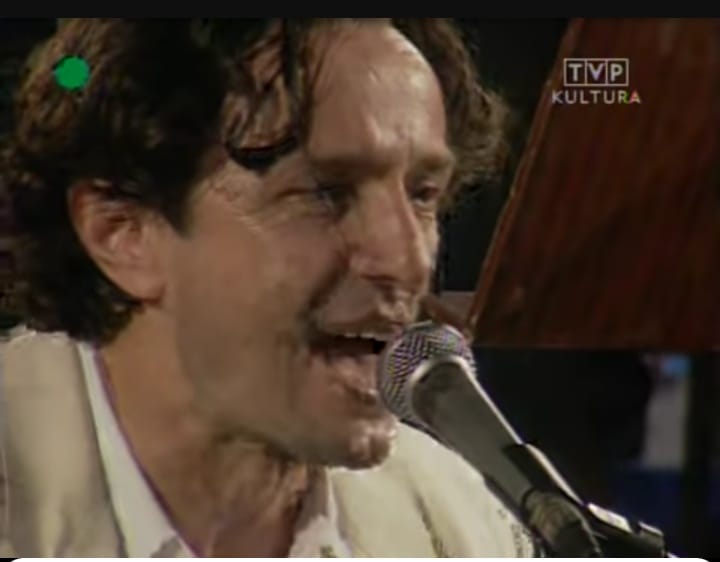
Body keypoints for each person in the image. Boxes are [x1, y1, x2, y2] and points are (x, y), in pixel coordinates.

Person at [0, 18, 535, 557]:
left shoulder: (460, 523)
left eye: (422, 195)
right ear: (122, 232)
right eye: (325, 193)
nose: (409, 259)